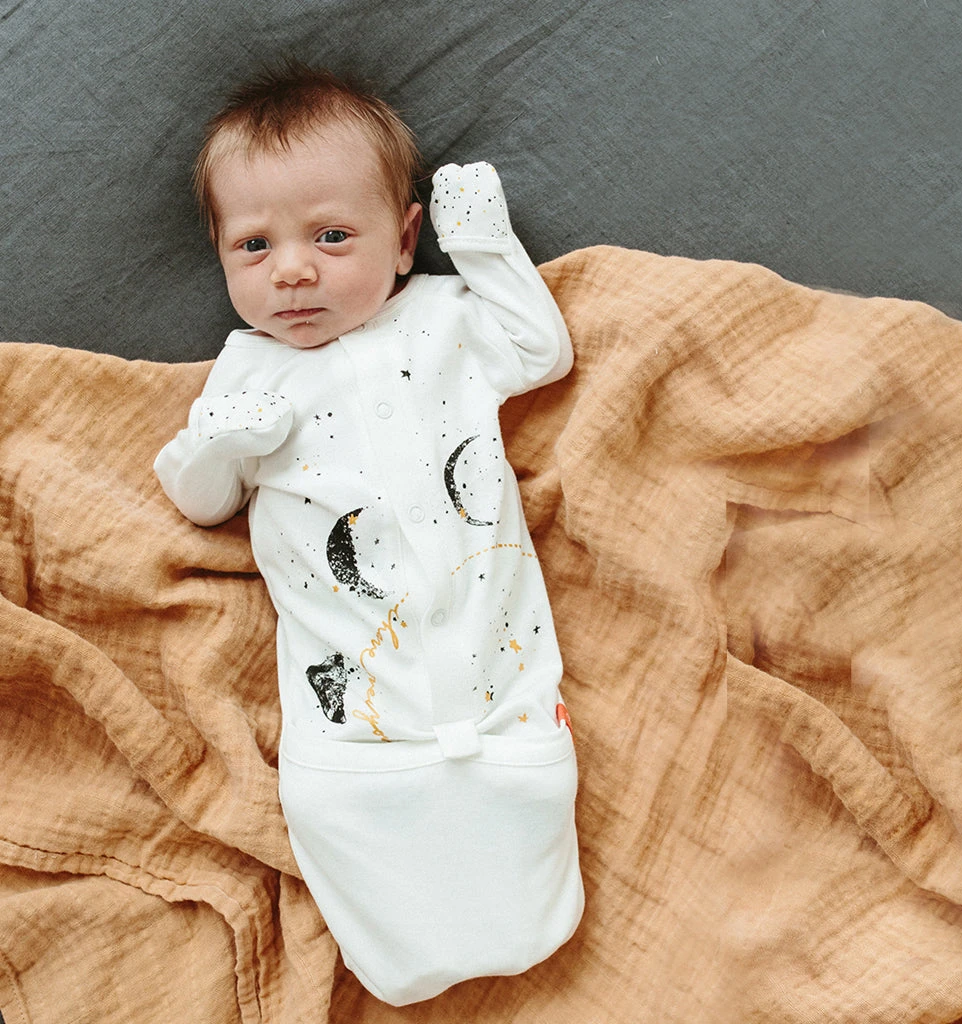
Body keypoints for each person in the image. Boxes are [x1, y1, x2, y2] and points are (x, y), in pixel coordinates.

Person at [154, 62, 583, 1007]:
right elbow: (198, 498)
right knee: (343, 813)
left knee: (525, 796)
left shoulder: (444, 320)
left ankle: (524, 914)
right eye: (254, 245)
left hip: (501, 689)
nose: (292, 270)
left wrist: (485, 247)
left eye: (331, 236)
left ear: (404, 241)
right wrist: (219, 442)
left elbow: (541, 351)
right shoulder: (248, 371)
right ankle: (394, 951)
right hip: (354, 716)